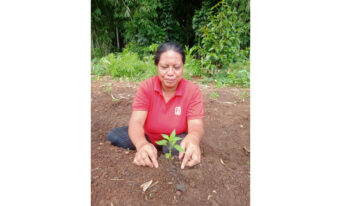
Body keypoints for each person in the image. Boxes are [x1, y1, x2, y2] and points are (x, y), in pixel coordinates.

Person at [106, 42, 204, 169]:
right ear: (157, 65)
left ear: (183, 66)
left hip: (175, 138)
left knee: (173, 148)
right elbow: (136, 122)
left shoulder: (192, 91)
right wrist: (141, 145)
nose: (170, 73)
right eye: (164, 67)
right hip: (149, 136)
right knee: (114, 136)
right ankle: (148, 147)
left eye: (176, 67)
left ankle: (164, 149)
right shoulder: (146, 87)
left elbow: (196, 125)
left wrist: (193, 138)